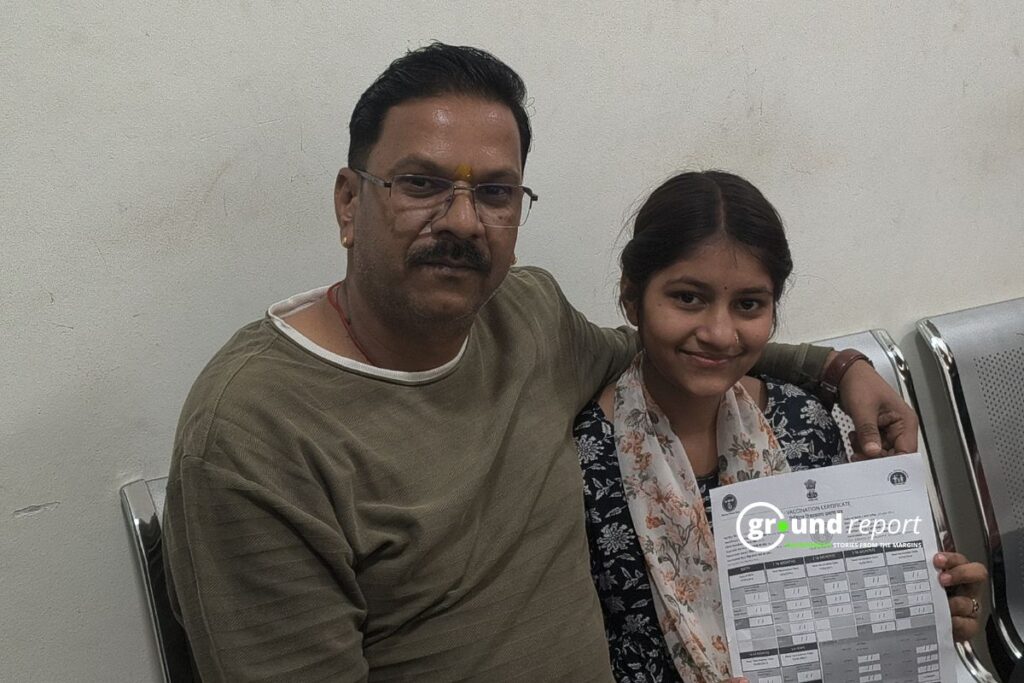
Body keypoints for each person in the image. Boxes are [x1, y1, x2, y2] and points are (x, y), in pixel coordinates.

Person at [163, 43, 924, 681]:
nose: (462, 219)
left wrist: (838, 369)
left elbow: (675, 346)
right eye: (422, 183)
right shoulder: (252, 434)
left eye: (495, 191)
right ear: (348, 202)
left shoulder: (524, 318)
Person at [574, 171, 988, 682]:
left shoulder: (802, 424)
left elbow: (839, 601)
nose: (720, 333)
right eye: (687, 298)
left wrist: (925, 612)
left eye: (749, 304)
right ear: (631, 299)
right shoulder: (584, 459)